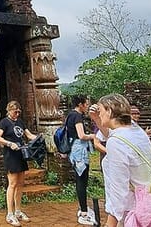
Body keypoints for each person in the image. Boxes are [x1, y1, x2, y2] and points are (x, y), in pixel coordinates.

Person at [95, 94, 151, 226]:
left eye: (101, 111)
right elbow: (115, 130)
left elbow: (119, 189)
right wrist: (97, 120)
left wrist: (111, 222)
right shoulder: (138, 132)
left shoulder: (115, 142)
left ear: (109, 111)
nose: (99, 115)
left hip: (129, 210)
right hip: (147, 202)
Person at [0, 100, 38, 226]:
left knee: (20, 183)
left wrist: (39, 138)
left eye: (19, 111)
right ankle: (10, 213)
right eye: (15, 111)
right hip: (10, 155)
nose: (17, 114)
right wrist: (9, 143)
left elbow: (28, 135)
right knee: (12, 184)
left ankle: (18, 210)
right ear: (9, 111)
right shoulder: (4, 122)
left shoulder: (20, 122)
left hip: (20, 154)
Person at [66, 95, 96, 225]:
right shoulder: (77, 116)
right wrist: (93, 136)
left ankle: (82, 207)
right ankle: (84, 212)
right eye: (86, 104)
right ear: (80, 104)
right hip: (79, 151)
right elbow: (81, 135)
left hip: (74, 150)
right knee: (82, 180)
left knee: (81, 179)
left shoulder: (70, 115)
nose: (87, 106)